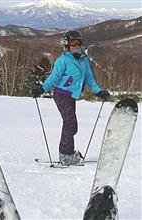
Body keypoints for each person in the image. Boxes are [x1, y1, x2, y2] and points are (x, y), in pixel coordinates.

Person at [32, 30, 110, 166]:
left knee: (71, 125)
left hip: (71, 96)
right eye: (73, 42)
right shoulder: (62, 60)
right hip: (61, 94)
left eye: (78, 42)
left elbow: (89, 79)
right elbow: (54, 77)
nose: (76, 45)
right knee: (70, 124)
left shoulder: (83, 60)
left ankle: (68, 152)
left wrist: (98, 92)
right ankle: (66, 154)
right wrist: (42, 89)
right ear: (66, 44)